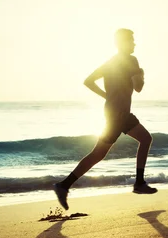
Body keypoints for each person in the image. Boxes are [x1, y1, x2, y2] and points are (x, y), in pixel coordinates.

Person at [53, 28, 156, 210]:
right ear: (123, 42)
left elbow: (88, 81)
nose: (134, 43)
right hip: (120, 115)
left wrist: (107, 96)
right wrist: (141, 75)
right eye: (131, 40)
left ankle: (64, 185)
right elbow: (138, 88)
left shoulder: (111, 62)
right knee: (144, 139)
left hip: (112, 112)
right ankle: (139, 183)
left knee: (99, 154)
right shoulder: (131, 61)